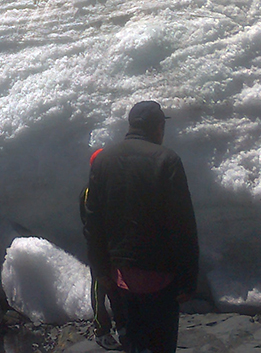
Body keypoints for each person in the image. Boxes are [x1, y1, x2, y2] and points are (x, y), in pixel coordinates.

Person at [85, 101, 199, 353]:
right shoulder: (167, 160)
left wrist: (101, 268)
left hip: (119, 274)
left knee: (132, 340)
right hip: (159, 273)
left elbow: (93, 220)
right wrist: (188, 278)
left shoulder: (103, 160)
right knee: (161, 343)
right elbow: (182, 223)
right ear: (158, 127)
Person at [80, 149, 127, 350]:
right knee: (100, 288)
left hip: (112, 248)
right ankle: (101, 330)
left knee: (116, 289)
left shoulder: (106, 187)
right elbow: (90, 225)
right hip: (101, 249)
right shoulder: (92, 191)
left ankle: (121, 326)